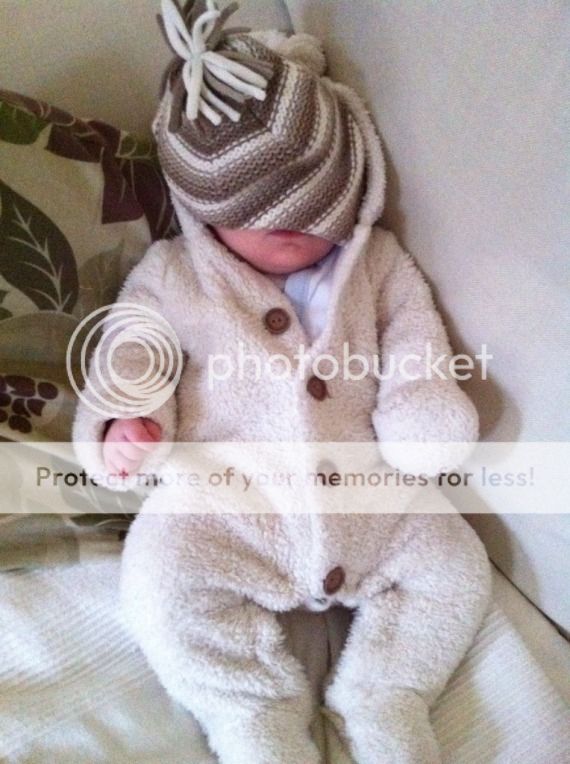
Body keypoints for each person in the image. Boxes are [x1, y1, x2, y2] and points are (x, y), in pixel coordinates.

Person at [73, 1, 491, 762]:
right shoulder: (173, 275)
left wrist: (421, 405)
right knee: (158, 585)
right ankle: (251, 713)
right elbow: (132, 351)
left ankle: (388, 694)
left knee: (456, 567)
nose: (289, 228)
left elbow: (414, 340)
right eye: (257, 215)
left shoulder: (378, 264)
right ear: (205, 211)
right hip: (226, 505)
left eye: (310, 205)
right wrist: (125, 419)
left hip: (371, 498)